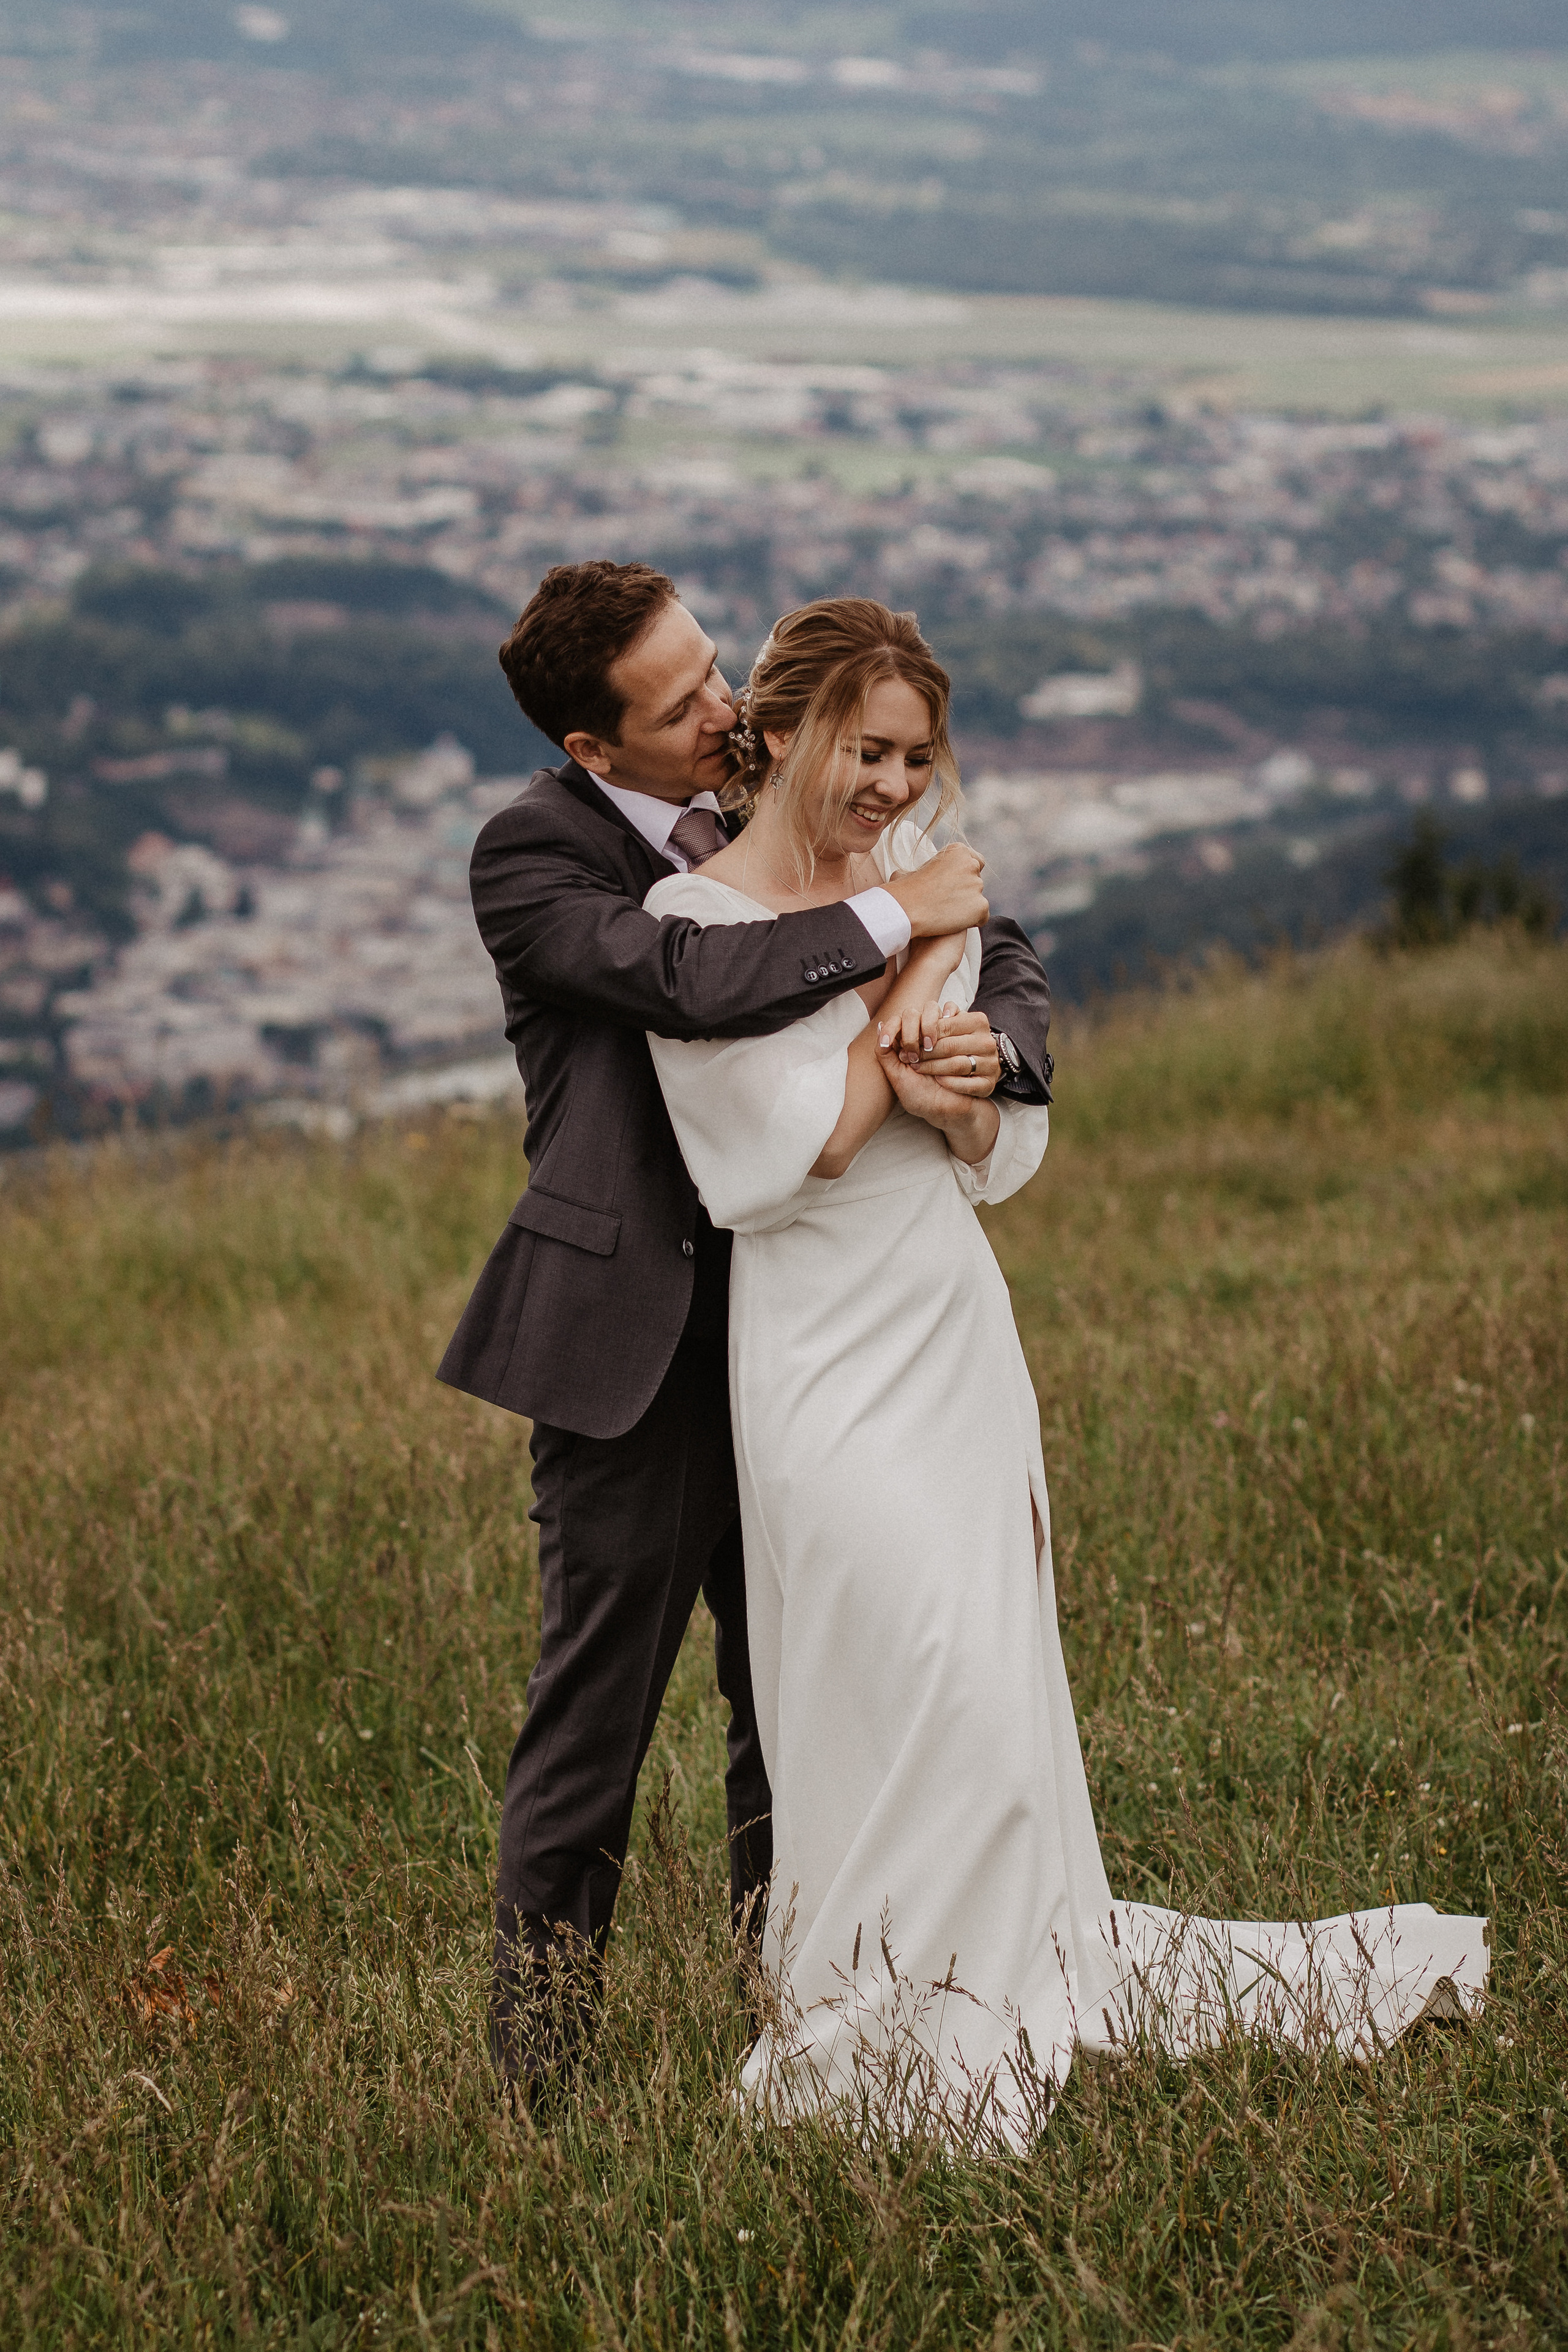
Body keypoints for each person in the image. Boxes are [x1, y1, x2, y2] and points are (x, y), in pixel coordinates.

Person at [643, 598, 1490, 2145]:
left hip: (948, 1322)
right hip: (821, 1346)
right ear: (780, 731)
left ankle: (995, 1956)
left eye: (914, 756)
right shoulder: (695, 929)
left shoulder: (919, 888)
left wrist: (961, 1091)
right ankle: (883, 1985)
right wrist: (905, 999)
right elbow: (778, 1155)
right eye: (865, 749)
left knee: (979, 1667)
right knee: (883, 1658)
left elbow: (986, 1149)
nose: (894, 786)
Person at [437, 561, 1057, 2093]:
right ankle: (541, 2079)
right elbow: (686, 977)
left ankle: (817, 1999)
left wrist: (992, 1041)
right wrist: (890, 912)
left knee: (800, 1697)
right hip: (639, 1343)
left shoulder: (778, 784)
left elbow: (1001, 936)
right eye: (684, 699)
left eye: (716, 667)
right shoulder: (536, 852)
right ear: (597, 748)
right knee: (596, 1717)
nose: (725, 708)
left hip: (826, 1327)